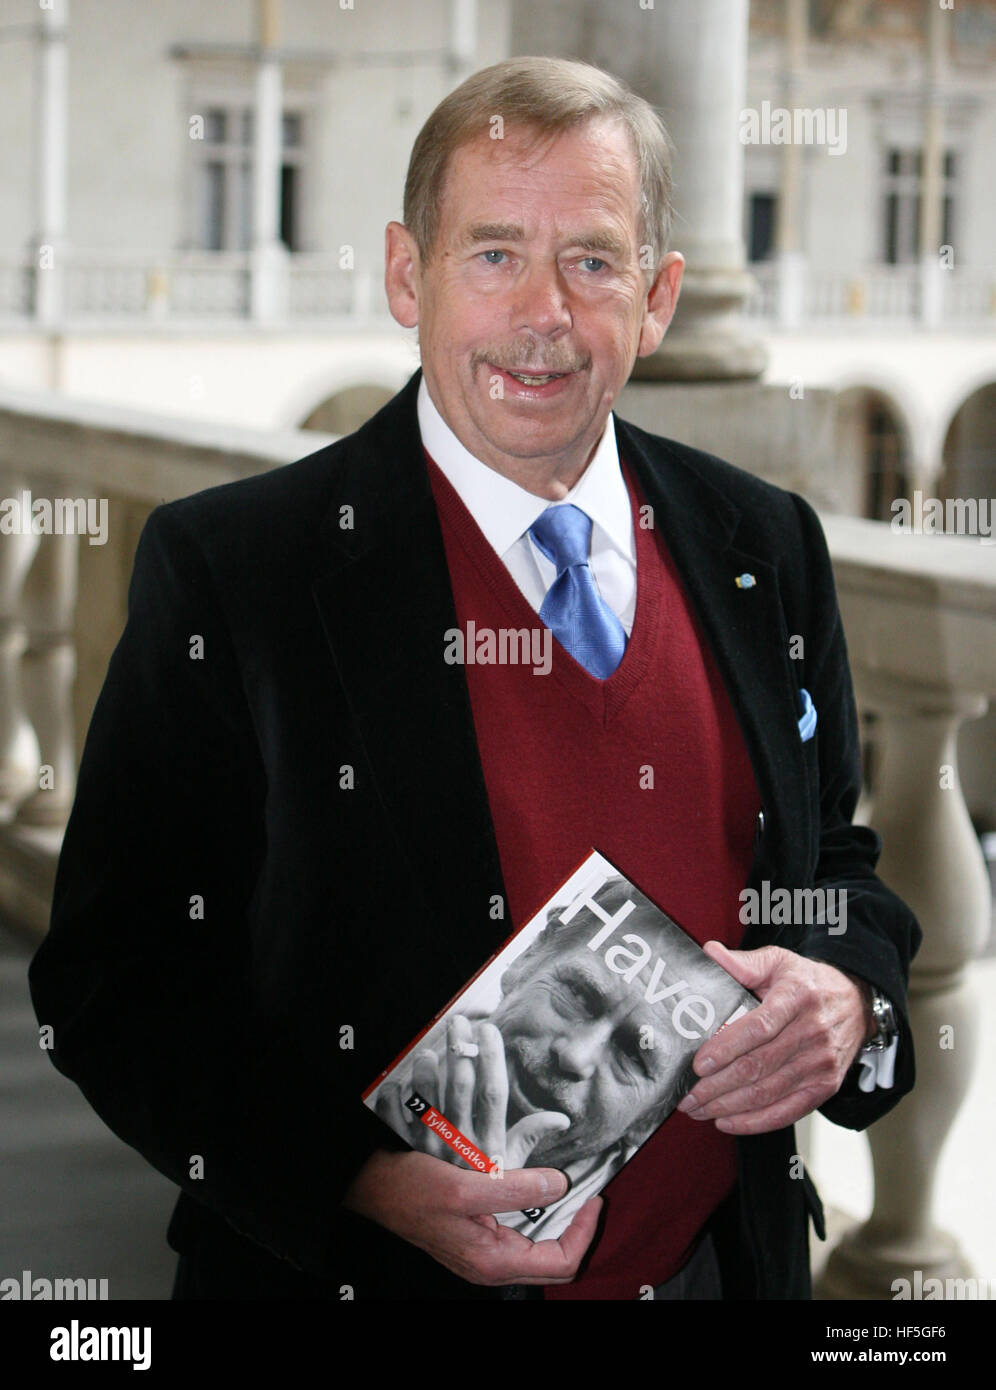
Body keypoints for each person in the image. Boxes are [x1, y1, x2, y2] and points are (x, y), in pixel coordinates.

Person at [29, 56, 920, 1302]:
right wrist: (360, 1178)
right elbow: (108, 984)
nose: (544, 312)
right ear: (409, 275)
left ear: (660, 298)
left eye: (594, 262)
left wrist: (852, 999)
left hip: (725, 1269)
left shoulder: (762, 544)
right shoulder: (242, 573)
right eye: (494, 253)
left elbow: (839, 870)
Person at [370, 870, 754, 1243]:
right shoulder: (382, 1020)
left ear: (653, 1115)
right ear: (529, 956)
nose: (574, 1057)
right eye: (580, 995)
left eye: (635, 1056)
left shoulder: (631, 1229)